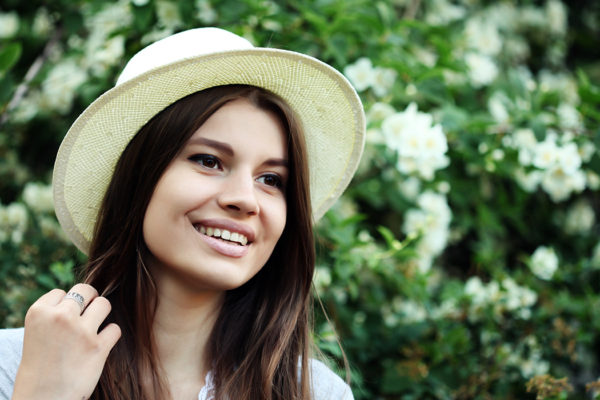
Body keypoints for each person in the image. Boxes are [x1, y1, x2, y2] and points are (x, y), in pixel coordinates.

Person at [0, 27, 365, 400]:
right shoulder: (12, 366)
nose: (246, 199)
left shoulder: (315, 393)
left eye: (271, 179)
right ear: (137, 178)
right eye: (209, 160)